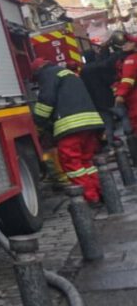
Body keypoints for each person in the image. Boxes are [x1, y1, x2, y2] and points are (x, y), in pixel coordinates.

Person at [32, 57, 104, 203]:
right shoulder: (66, 73)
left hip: (70, 126)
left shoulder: (48, 75)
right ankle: (101, 191)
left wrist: (37, 121)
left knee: (72, 163)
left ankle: (90, 197)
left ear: (38, 72)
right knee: (86, 162)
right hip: (90, 124)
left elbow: (46, 101)